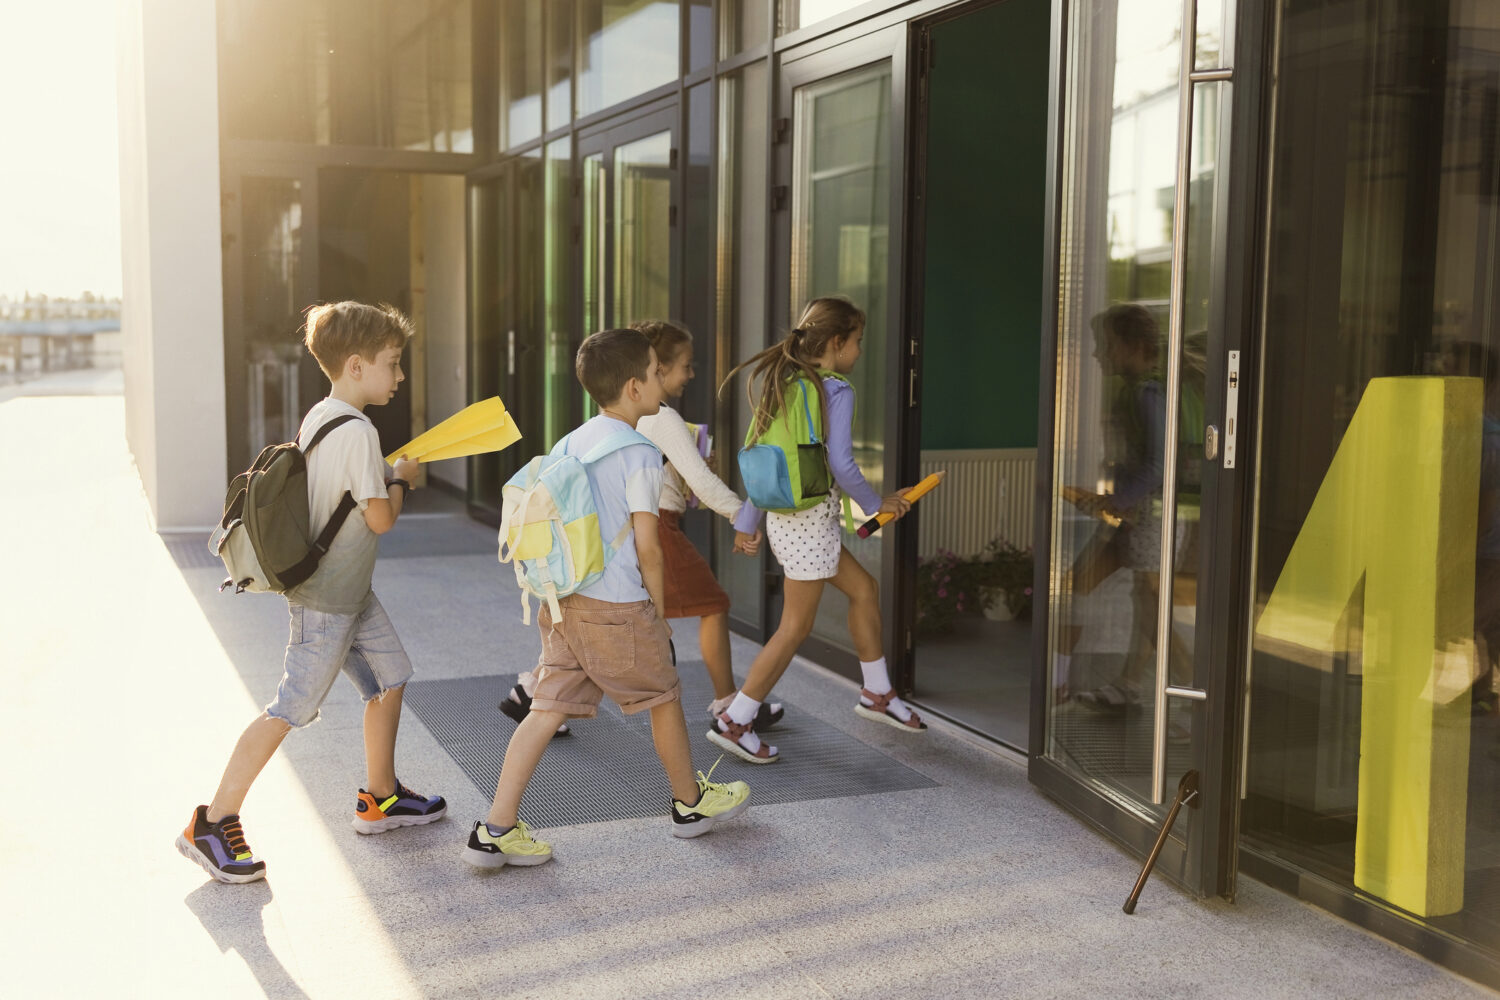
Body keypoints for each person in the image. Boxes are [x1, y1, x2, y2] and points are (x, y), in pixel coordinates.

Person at [177, 301, 446, 884]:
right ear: (355, 365)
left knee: (392, 675)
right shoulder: (359, 432)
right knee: (291, 709)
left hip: (350, 594)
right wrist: (402, 479)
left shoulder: (323, 414)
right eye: (393, 364)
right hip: (328, 604)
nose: (399, 377)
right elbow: (380, 520)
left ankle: (380, 797)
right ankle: (213, 820)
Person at [465, 328, 751, 868]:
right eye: (654, 369)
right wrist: (660, 615)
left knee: (546, 709)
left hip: (563, 599)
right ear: (635, 386)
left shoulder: (574, 440)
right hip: (617, 604)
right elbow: (649, 544)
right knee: (663, 694)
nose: (662, 379)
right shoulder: (641, 451)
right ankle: (689, 804)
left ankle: (495, 828)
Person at [709, 296, 923, 766]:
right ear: (837, 342)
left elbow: (765, 458)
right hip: (809, 524)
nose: (861, 353)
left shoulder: (784, 382)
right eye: (859, 342)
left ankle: (878, 693)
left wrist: (748, 522)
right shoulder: (835, 389)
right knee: (794, 628)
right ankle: (736, 720)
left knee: (864, 590)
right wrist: (876, 504)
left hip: (792, 520)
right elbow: (841, 463)